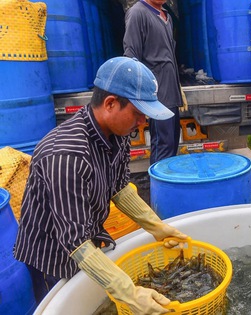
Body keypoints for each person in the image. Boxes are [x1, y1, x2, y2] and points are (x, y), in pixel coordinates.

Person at [13, 56, 188, 314]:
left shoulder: (119, 133)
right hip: (50, 255)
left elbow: (119, 187)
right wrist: (129, 293)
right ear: (110, 104)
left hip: (84, 239)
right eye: (139, 114)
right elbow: (74, 241)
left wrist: (157, 227)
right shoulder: (67, 155)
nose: (143, 123)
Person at [123, 0, 183, 164]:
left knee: (171, 144)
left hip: (171, 93)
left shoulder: (166, 16)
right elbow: (131, 56)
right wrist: (141, 97)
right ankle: (159, 189)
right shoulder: (138, 13)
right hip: (157, 95)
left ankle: (169, 186)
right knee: (163, 145)